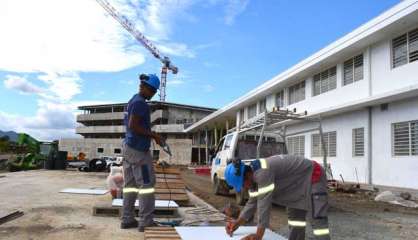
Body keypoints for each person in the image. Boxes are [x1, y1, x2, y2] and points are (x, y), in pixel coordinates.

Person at [224, 155, 331, 240]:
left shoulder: (263, 173)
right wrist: (237, 223)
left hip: (313, 177)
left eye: (242, 184)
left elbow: (263, 206)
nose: (243, 187)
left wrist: (258, 236)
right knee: (296, 222)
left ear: (246, 175)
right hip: (296, 187)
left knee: (318, 225)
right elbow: (252, 203)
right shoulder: (253, 179)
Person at [121, 73, 163, 232]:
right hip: (139, 151)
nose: (152, 94)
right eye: (152, 91)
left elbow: (130, 126)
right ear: (146, 88)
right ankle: (146, 222)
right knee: (146, 185)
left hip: (128, 148)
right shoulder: (141, 104)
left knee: (130, 186)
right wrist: (154, 135)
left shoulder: (132, 100)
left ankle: (127, 219)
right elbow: (133, 125)